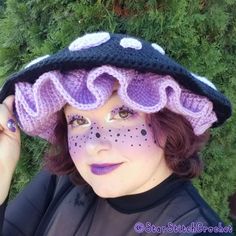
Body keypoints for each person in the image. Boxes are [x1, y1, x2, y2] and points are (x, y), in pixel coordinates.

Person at [0, 32, 233, 236]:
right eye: (78, 120)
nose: (92, 145)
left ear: (170, 124)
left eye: (122, 114)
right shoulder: (61, 181)